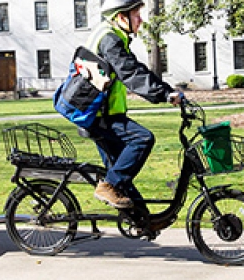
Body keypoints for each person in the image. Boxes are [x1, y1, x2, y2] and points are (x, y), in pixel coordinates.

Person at [86, 0, 183, 208]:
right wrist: (165, 94)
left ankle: (143, 220)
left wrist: (165, 89)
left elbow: (135, 68)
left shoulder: (111, 35)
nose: (140, 20)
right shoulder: (109, 40)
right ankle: (107, 186)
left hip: (100, 114)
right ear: (121, 17)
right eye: (136, 15)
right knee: (142, 139)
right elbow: (130, 73)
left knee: (120, 170)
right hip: (102, 116)